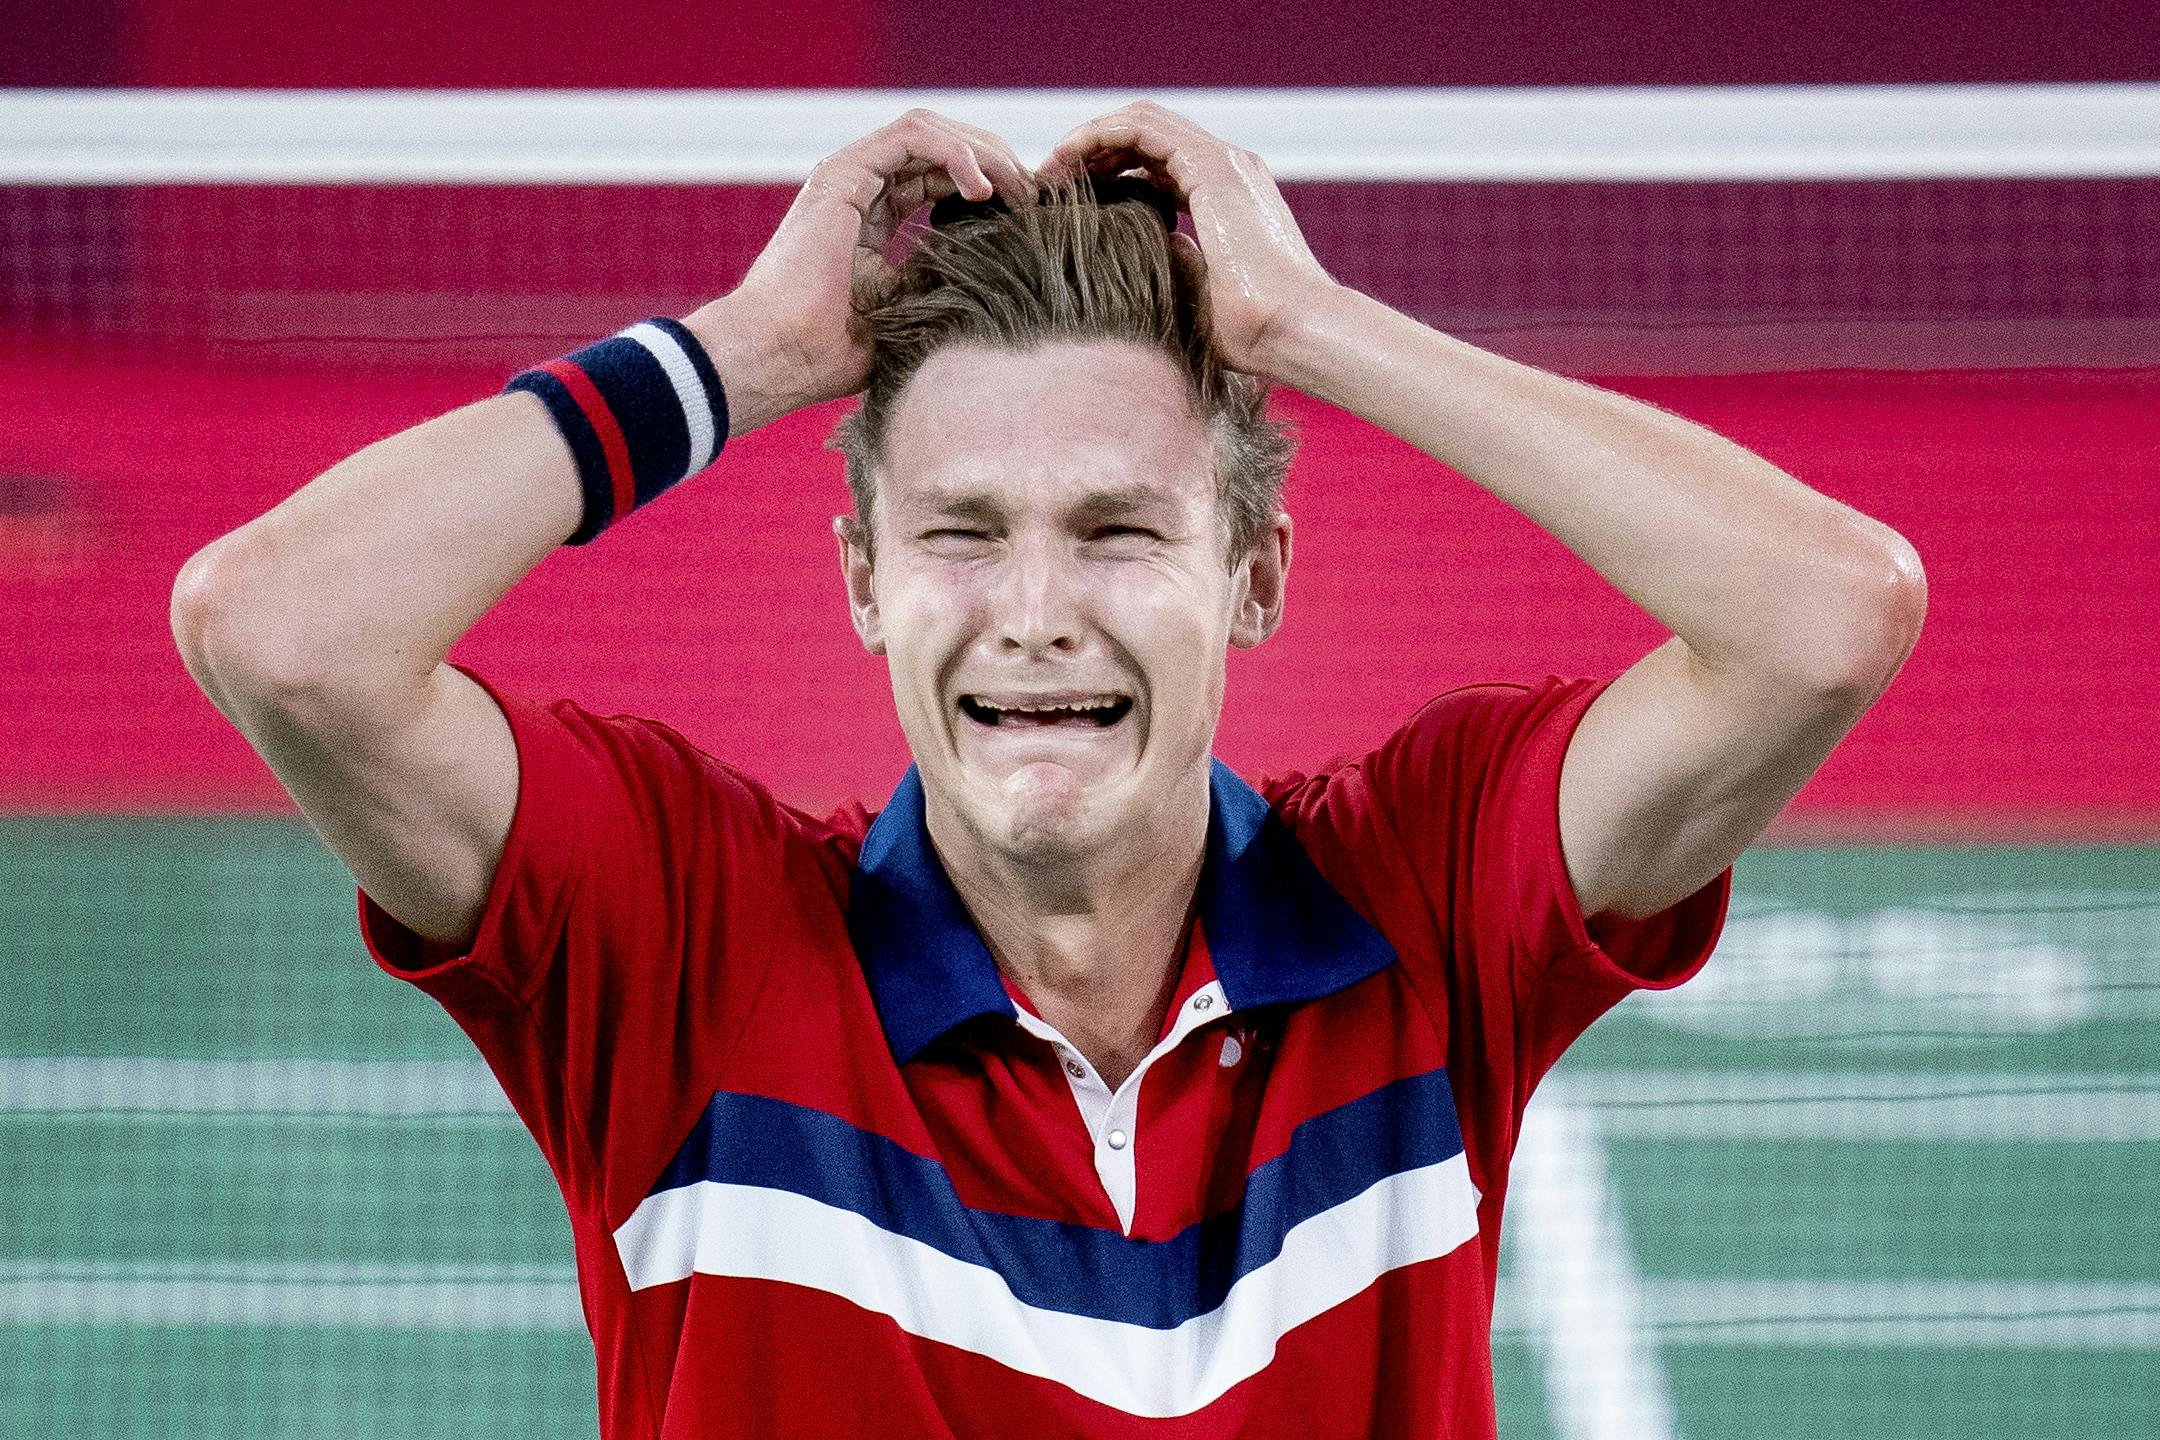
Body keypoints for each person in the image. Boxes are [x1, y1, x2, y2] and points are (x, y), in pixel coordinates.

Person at [170, 103, 1925, 1438]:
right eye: (958, 534)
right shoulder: (685, 948)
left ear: (1255, 574)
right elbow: (281, 629)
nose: (1035, 615)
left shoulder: (1424, 903)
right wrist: (758, 352)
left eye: (1118, 532)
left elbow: (1826, 616)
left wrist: (1311, 327)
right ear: (862, 581)